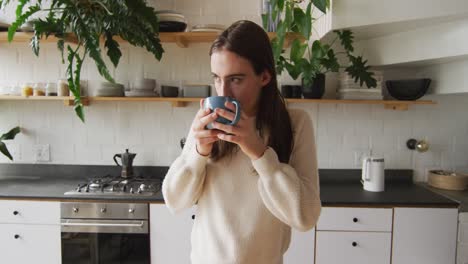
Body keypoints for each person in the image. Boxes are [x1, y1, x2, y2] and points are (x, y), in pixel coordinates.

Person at [162, 20, 321, 264]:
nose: (222, 93)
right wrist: (198, 152)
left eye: (235, 79)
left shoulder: (295, 123)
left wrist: (259, 153)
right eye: (217, 78)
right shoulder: (206, 119)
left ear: (265, 76)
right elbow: (174, 201)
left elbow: (306, 217)